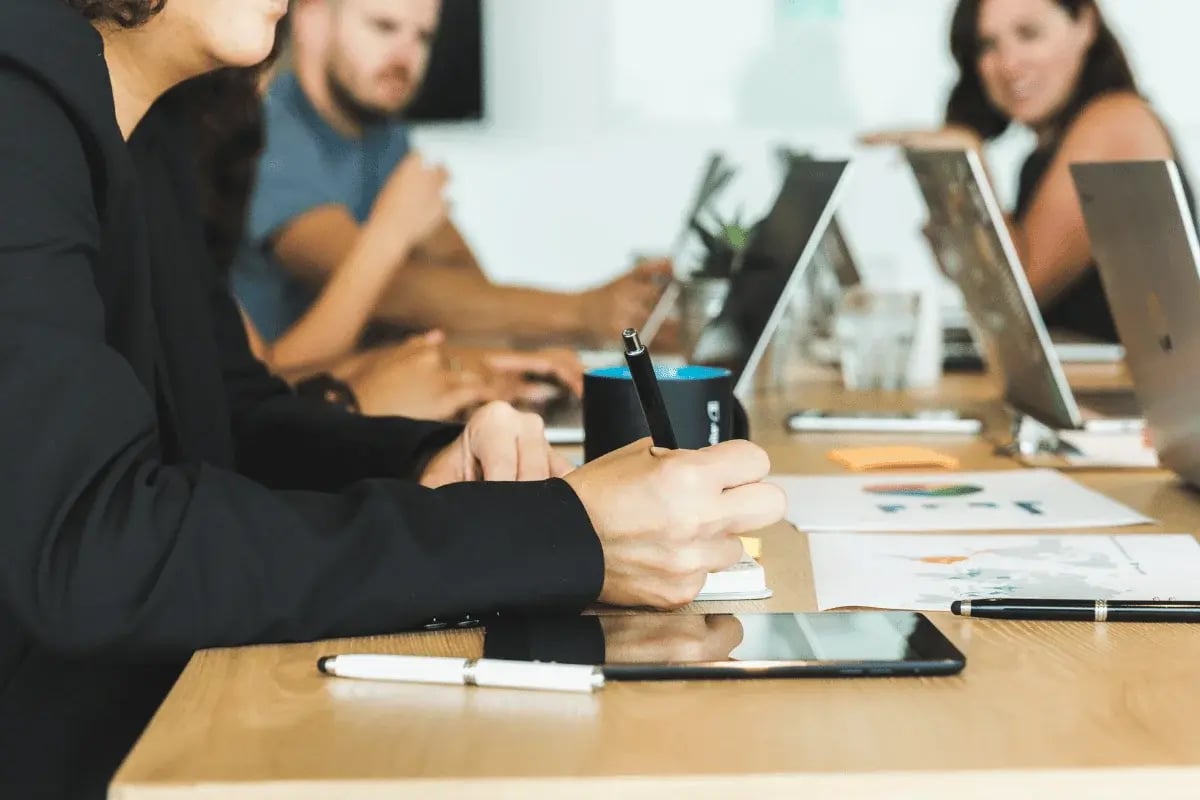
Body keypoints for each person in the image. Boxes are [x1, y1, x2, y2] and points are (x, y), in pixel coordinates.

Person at [0, 1, 785, 795]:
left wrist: (426, 464)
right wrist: (558, 536)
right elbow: (93, 549)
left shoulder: (151, 131)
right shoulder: (17, 108)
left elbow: (226, 419)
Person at [234, 0, 671, 352]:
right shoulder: (268, 131)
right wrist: (581, 313)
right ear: (311, 19)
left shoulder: (382, 132)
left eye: (423, 35)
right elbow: (383, 288)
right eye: (383, 26)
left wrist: (525, 350)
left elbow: (456, 269)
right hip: (282, 412)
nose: (406, 56)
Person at [863, 0, 1189, 343]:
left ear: (1085, 24)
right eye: (987, 46)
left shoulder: (1116, 120)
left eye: (1029, 34)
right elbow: (992, 300)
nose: (1008, 64)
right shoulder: (1038, 159)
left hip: (1124, 396)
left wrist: (971, 165)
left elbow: (1018, 293)